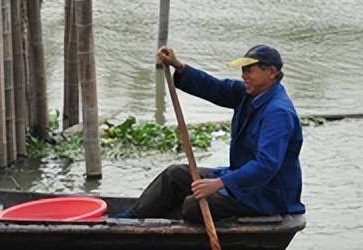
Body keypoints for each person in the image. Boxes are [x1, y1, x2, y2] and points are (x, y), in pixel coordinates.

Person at [114, 44, 305, 222]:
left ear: (271, 72)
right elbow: (216, 87)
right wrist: (178, 66)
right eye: (243, 70)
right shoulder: (248, 94)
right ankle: (129, 220)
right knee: (175, 176)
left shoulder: (278, 112)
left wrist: (220, 183)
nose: (244, 76)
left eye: (250, 70)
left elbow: (266, 165)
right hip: (241, 182)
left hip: (266, 196)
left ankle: (158, 223)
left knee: (193, 205)